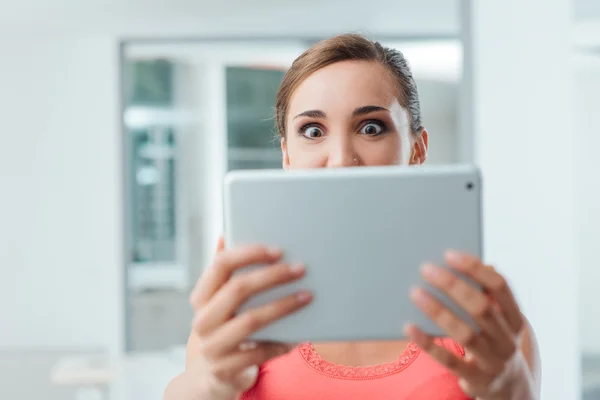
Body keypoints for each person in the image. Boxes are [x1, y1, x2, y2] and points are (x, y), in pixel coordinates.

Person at [164, 33, 541, 400]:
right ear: (287, 156)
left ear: (417, 148)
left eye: (371, 127)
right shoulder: (240, 322)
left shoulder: (488, 330)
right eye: (313, 130)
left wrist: (507, 390)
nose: (342, 158)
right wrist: (210, 386)